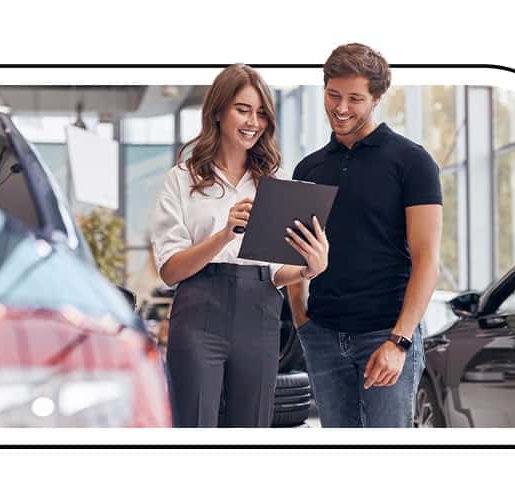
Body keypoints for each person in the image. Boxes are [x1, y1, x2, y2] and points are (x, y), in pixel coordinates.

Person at [150, 64, 330, 427]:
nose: (254, 121)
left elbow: (275, 271)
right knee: (194, 426)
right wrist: (224, 234)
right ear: (218, 112)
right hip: (199, 314)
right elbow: (170, 270)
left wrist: (310, 268)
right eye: (243, 109)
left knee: (251, 430)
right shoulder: (182, 179)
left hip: (259, 316)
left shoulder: (272, 184)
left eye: (261, 112)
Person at [287, 43, 443, 427]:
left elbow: (427, 259)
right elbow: (294, 252)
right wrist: (301, 319)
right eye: (333, 95)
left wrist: (400, 341)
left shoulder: (412, 161)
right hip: (322, 334)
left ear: (377, 98)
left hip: (384, 335)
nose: (341, 108)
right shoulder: (308, 168)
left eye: (355, 99)